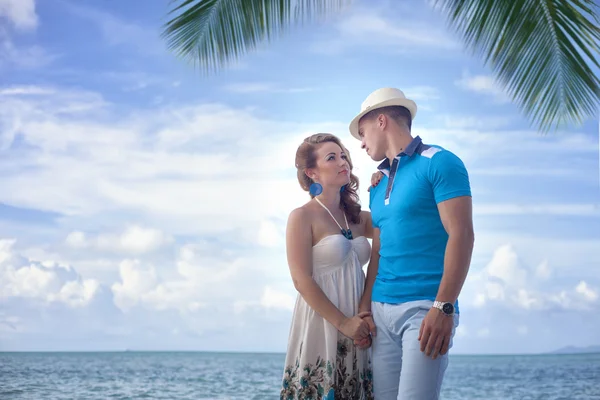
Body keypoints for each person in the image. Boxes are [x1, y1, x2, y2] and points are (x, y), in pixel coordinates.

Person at [348, 87, 475, 399]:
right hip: (381, 310)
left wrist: (444, 306)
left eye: (362, 133)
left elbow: (462, 235)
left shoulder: (440, 162)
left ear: (381, 121)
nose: (361, 144)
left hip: (424, 309)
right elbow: (378, 249)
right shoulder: (376, 184)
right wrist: (365, 306)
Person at [280, 133, 378, 400]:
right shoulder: (302, 216)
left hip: (359, 323)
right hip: (323, 321)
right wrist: (343, 323)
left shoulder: (356, 218)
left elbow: (387, 222)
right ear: (312, 172)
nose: (342, 161)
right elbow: (301, 280)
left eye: (343, 155)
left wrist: (381, 186)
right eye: (331, 157)